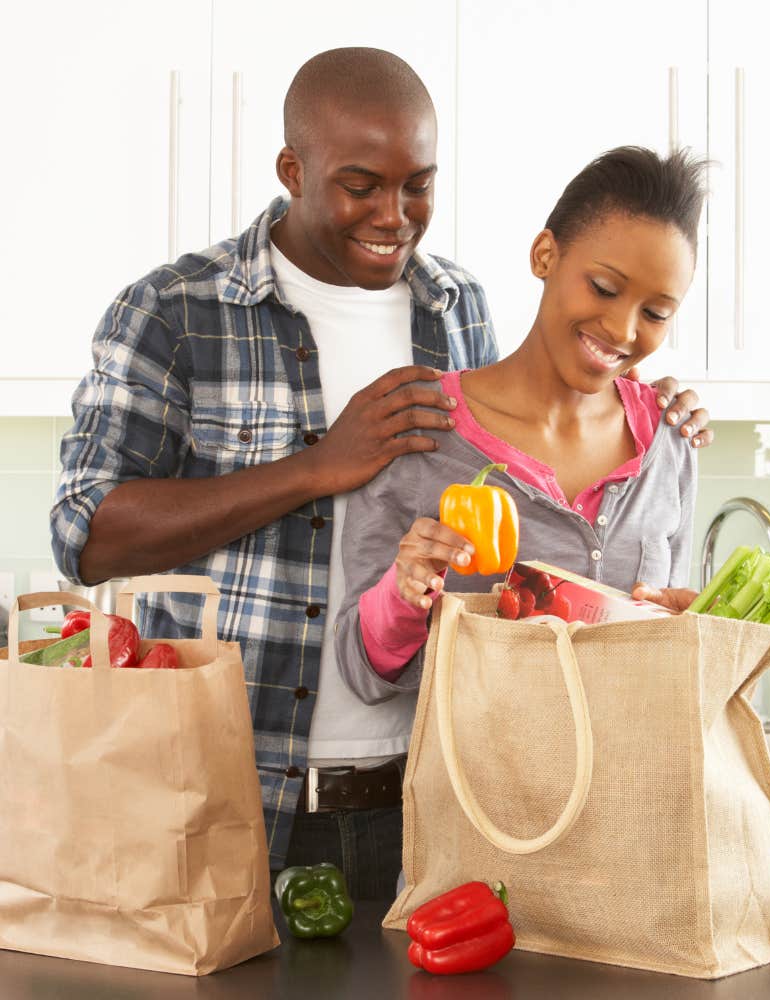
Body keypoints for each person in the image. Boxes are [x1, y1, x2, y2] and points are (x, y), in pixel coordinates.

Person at [50, 49, 711, 900]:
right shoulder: (176, 311)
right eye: (361, 184)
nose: (395, 217)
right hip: (225, 786)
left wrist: (649, 405)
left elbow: (513, 463)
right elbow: (86, 534)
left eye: (418, 186)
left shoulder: (456, 305)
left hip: (423, 796)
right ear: (293, 169)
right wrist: (318, 468)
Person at [334, 145, 707, 714]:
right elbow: (363, 673)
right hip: (478, 798)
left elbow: (665, 658)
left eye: (655, 313)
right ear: (544, 255)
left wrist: (682, 625)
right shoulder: (419, 431)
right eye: (604, 288)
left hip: (630, 795)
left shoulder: (670, 439)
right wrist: (404, 591)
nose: (621, 329)